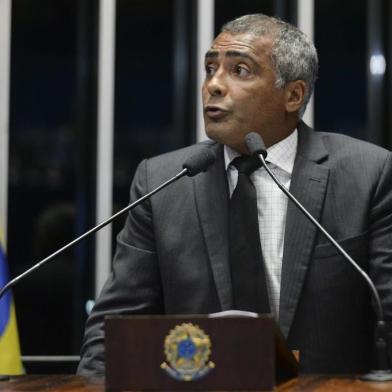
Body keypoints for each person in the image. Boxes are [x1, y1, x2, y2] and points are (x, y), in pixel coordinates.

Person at [77, 14, 392, 375]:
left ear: (293, 95)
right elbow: (109, 335)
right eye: (210, 68)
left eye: (239, 70)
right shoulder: (163, 181)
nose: (214, 84)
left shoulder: (367, 175)